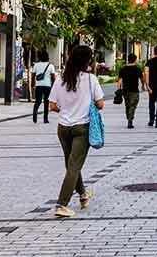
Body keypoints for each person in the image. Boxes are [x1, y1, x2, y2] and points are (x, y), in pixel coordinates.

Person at [49, 45, 104, 218]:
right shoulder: (91, 79)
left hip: (63, 128)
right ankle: (61, 204)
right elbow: (100, 104)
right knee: (73, 166)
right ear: (87, 61)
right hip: (82, 128)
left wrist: (66, 111)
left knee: (71, 164)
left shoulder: (61, 79)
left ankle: (83, 194)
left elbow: (52, 106)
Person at [117, 53, 143, 129]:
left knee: (127, 105)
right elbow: (142, 79)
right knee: (133, 105)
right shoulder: (137, 69)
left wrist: (119, 89)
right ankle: (130, 119)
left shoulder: (123, 69)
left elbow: (119, 81)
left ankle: (129, 117)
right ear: (135, 60)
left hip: (125, 90)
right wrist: (143, 86)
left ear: (128, 59)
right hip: (134, 90)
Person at [31, 50, 56, 124]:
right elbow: (53, 77)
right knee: (46, 102)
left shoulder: (36, 65)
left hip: (38, 86)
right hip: (47, 86)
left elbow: (33, 76)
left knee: (37, 101)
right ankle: (45, 119)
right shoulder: (50, 66)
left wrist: (32, 84)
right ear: (47, 57)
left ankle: (34, 115)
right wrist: (53, 86)